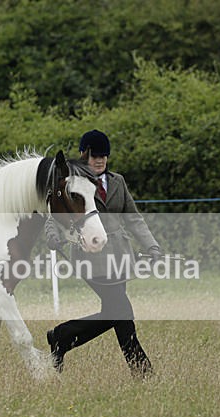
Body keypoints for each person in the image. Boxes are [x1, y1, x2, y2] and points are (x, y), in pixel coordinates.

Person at [45, 129, 162, 377]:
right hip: (90, 258)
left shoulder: (117, 181)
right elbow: (54, 214)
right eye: (94, 156)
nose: (99, 160)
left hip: (120, 258)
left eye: (103, 156)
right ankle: (142, 371)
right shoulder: (73, 184)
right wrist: (53, 235)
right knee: (122, 312)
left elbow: (133, 218)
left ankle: (62, 336)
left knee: (114, 313)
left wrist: (151, 246)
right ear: (83, 156)